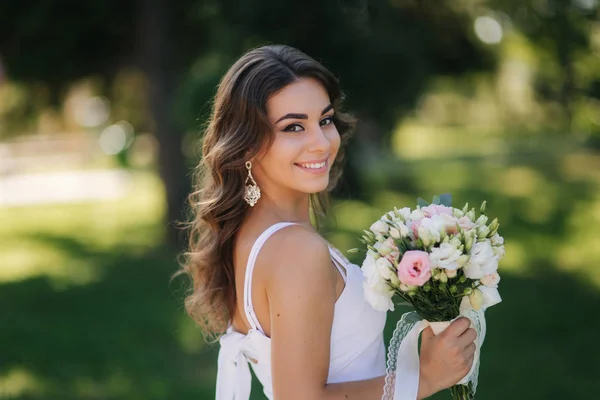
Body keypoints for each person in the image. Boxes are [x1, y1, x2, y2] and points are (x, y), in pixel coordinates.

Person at [177, 45, 477, 400]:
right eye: (293, 127)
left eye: (324, 120)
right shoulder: (296, 251)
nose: (321, 143)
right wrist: (423, 377)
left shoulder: (249, 234)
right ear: (247, 146)